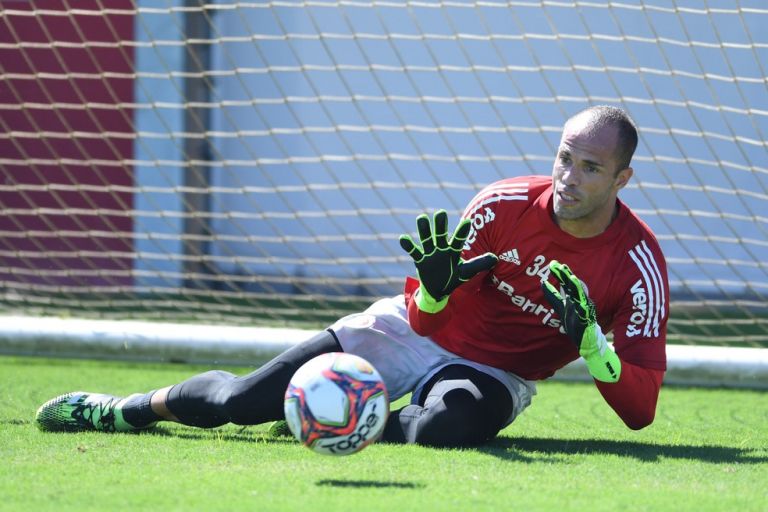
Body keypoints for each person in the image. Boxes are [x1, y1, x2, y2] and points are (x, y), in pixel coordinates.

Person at [35, 105, 668, 447]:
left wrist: (593, 345)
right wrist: (438, 293)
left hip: (494, 372)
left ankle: (342, 415)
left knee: (448, 426)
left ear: (621, 179)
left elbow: (640, 412)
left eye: (589, 167)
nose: (568, 178)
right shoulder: (501, 204)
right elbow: (426, 316)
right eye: (564, 158)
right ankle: (122, 411)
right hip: (407, 331)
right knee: (241, 403)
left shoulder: (637, 264)